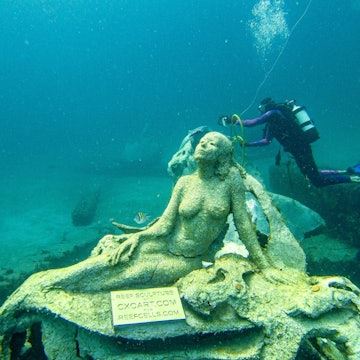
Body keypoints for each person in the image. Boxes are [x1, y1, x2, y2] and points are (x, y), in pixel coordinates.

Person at [219, 98, 360, 187]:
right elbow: (266, 141)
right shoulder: (273, 123)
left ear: (265, 107)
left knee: (316, 181)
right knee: (311, 175)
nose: (261, 112)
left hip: (301, 148)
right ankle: (348, 172)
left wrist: (233, 120)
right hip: (296, 150)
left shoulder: (274, 113)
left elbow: (253, 122)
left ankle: (353, 179)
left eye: (261, 110)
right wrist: (248, 145)